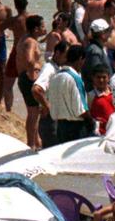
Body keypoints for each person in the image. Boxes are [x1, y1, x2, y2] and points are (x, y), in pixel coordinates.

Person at [47, 44, 93, 143]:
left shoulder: (55, 77)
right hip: (76, 129)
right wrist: (92, 122)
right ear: (81, 58)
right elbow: (81, 109)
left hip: (60, 127)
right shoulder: (75, 78)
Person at [16, 14, 46, 149]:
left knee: (32, 113)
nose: (44, 29)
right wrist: (35, 71)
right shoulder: (31, 42)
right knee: (34, 114)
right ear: (35, 29)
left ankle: (35, 142)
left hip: (24, 77)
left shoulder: (24, 38)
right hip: (29, 78)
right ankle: (31, 144)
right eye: (42, 26)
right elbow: (29, 60)